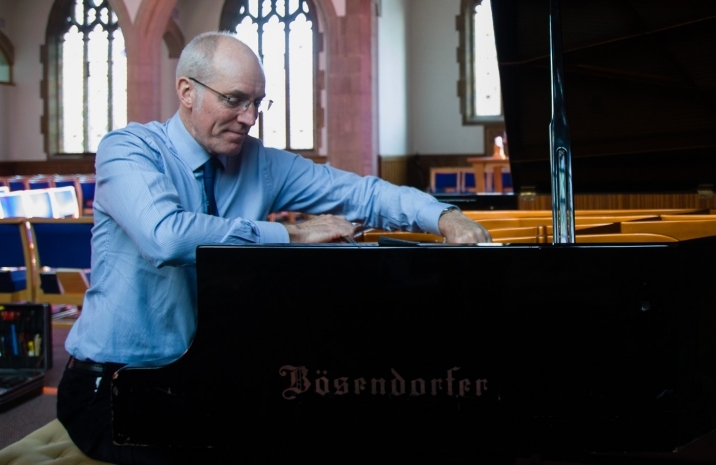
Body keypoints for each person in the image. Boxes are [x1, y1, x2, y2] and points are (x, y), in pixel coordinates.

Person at [57, 31, 491, 464]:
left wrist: (443, 216)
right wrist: (295, 234)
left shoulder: (259, 162)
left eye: (257, 103)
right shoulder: (129, 149)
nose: (249, 118)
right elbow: (166, 236)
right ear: (187, 91)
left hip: (203, 378)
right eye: (234, 100)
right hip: (112, 387)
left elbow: (364, 194)